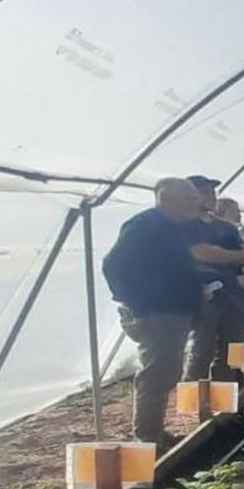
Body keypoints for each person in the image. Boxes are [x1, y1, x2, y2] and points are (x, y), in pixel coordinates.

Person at [102, 178, 204, 447]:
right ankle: (147, 440)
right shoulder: (147, 225)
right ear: (165, 196)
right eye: (189, 198)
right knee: (155, 374)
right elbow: (113, 266)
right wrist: (139, 304)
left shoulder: (172, 228)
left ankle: (155, 433)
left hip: (172, 312)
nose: (196, 203)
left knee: (166, 371)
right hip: (160, 313)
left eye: (195, 198)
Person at [183, 175, 244, 383]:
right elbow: (198, 253)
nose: (212, 196)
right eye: (205, 192)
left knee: (231, 352)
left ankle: (224, 404)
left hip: (233, 293)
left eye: (213, 192)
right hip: (204, 295)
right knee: (201, 350)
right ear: (190, 196)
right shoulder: (184, 224)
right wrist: (231, 257)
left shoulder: (225, 227)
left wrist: (217, 254)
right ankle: (194, 405)